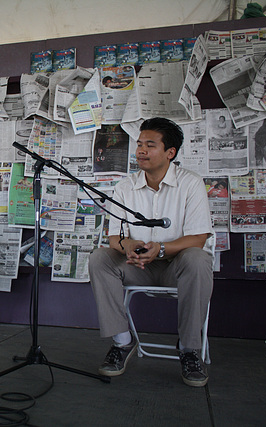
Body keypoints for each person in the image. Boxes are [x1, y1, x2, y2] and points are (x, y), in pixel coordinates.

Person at [88, 117, 213, 387]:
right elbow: (114, 238)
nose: (141, 150)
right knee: (99, 257)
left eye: (150, 145)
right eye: (140, 144)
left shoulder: (190, 183)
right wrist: (128, 246)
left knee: (198, 258)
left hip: (175, 268)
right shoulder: (125, 187)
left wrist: (162, 248)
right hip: (137, 267)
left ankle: (190, 349)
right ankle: (122, 342)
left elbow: (199, 238)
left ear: (171, 152)